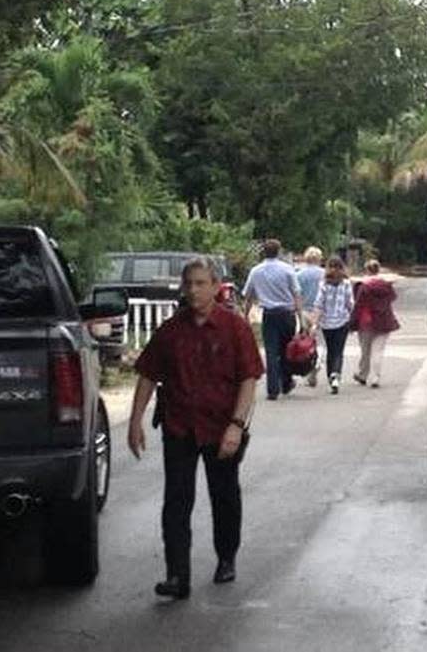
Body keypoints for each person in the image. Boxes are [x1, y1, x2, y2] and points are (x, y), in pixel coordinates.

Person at [127, 257, 264, 600]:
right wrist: (135, 421)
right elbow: (147, 375)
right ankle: (177, 575)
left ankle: (226, 557)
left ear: (217, 287)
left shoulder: (235, 328)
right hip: (179, 426)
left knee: (224, 496)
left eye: (201, 283)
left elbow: (249, 378)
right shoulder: (171, 331)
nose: (193, 290)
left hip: (221, 427)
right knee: (176, 501)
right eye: (188, 283)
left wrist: (236, 424)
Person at [242, 239, 302, 400]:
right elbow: (296, 294)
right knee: (286, 350)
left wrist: (245, 316)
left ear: (264, 252)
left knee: (271, 351)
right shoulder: (288, 270)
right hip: (287, 314)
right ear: (279, 251)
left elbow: (248, 296)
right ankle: (286, 382)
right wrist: (301, 318)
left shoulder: (256, 271)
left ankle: (272, 389)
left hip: (269, 315)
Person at [351, 259, 399, 388]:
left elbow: (358, 305)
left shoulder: (363, 286)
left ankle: (363, 374)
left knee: (365, 351)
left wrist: (352, 322)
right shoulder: (386, 285)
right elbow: (393, 297)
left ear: (366, 271)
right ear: (378, 270)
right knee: (378, 351)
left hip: (366, 321)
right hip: (384, 321)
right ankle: (375, 377)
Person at [310, 256, 353, 394]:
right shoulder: (346, 283)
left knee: (330, 350)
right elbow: (350, 303)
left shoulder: (323, 284)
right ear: (342, 267)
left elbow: (318, 305)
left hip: (327, 323)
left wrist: (314, 324)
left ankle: (331, 376)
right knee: (338, 351)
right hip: (342, 322)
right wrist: (352, 318)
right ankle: (336, 375)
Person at [296, 247, 326, 387]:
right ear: (319, 258)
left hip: (304, 312)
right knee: (320, 342)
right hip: (320, 312)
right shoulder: (325, 274)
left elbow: (297, 295)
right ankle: (317, 366)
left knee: (307, 342)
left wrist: (297, 311)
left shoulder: (299, 275)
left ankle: (308, 367)